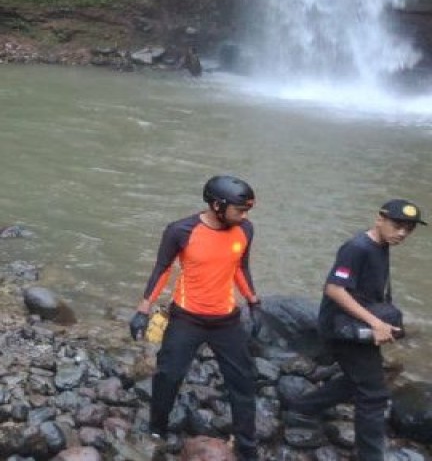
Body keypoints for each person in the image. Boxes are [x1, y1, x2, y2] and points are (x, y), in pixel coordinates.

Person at [128, 175, 262, 460]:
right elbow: (162, 270)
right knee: (169, 374)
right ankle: (157, 428)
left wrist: (254, 302)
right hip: (187, 318)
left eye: (247, 210)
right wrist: (143, 309)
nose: (245, 216)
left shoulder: (245, 230)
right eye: (240, 210)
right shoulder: (181, 230)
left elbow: (240, 267)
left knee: (244, 382)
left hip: (227, 320)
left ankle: (248, 447)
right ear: (217, 205)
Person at [284, 200, 423, 460]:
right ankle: (370, 456)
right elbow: (335, 289)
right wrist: (376, 323)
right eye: (398, 225)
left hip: (356, 324)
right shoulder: (357, 248)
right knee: (373, 395)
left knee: (358, 379)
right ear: (379, 218)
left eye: (409, 229)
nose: (402, 233)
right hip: (343, 329)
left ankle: (302, 408)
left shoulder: (382, 244)